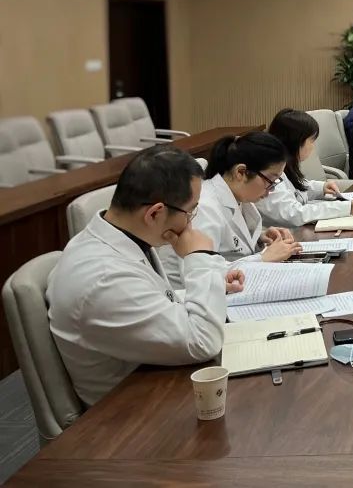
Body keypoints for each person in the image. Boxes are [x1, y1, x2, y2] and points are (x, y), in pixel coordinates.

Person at [47, 145, 243, 406]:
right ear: (155, 213)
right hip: (131, 411)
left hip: (153, 373)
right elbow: (203, 342)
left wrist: (212, 284)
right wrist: (199, 257)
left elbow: (153, 297)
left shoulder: (115, 235)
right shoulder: (105, 279)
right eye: (190, 212)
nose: (191, 223)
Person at [159, 132, 301, 287]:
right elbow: (199, 274)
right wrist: (264, 258)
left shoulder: (239, 197)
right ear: (241, 172)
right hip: (191, 295)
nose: (271, 190)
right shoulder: (204, 207)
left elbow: (227, 247)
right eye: (270, 181)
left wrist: (258, 239)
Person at [257, 108, 353, 227]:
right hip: (287, 233)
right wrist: (347, 208)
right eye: (311, 141)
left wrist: (321, 188)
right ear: (296, 142)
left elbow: (296, 189)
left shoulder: (285, 166)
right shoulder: (269, 172)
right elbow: (295, 214)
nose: (313, 147)